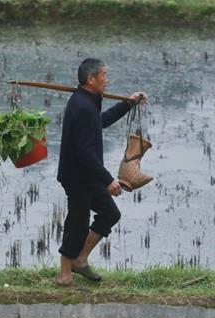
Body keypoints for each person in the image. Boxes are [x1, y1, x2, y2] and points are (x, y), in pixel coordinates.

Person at [56, 58, 148, 286]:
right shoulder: (81, 106)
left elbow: (100, 122)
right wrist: (108, 181)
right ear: (91, 79)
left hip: (88, 174)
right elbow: (85, 152)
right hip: (77, 177)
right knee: (77, 222)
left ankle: (80, 260)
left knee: (110, 214)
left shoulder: (88, 101)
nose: (107, 80)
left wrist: (128, 103)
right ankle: (64, 275)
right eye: (104, 76)